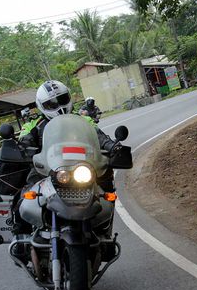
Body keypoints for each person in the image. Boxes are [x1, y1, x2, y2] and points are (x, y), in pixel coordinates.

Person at [7, 80, 118, 240]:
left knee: (106, 192)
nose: (58, 106)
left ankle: (103, 231)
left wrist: (114, 146)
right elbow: (23, 143)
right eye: (51, 104)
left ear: (69, 97)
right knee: (25, 195)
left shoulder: (84, 120)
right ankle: (20, 236)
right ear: (41, 106)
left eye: (62, 99)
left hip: (82, 168)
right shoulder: (33, 125)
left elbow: (100, 137)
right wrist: (21, 149)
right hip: (45, 170)